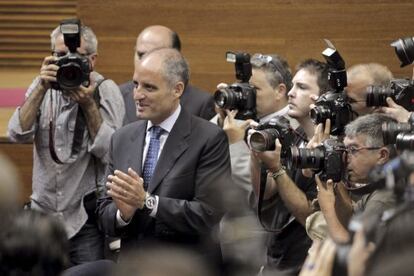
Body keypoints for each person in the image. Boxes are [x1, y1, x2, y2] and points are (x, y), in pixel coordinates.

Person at [97, 48, 231, 267]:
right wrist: (123, 214)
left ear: (177, 89)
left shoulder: (209, 138)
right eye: (136, 84)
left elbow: (208, 213)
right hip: (135, 266)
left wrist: (147, 202)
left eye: (149, 87)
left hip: (187, 267)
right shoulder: (121, 138)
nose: (137, 95)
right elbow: (104, 211)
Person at [7, 22, 125, 265]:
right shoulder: (42, 86)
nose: (67, 64)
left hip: (83, 220)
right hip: (43, 217)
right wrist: (41, 87)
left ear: (92, 60)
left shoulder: (106, 90)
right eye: (60, 56)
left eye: (76, 57)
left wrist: (88, 104)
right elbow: (16, 133)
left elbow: (112, 153)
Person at [211, 53, 294, 272]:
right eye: (242, 89)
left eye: (253, 90)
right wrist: (221, 118)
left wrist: (234, 142)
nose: (245, 96)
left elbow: (249, 193)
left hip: (257, 245)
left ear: (280, 91)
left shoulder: (290, 128)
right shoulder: (241, 121)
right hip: (221, 236)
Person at [250, 59, 330, 274]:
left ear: (320, 98)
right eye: (293, 85)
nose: (291, 93)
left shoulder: (332, 148)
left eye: (302, 87)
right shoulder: (296, 136)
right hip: (278, 253)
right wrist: (256, 154)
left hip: (308, 259)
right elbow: (265, 194)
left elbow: (310, 217)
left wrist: (277, 170)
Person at [316, 114, 397, 243]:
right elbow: (351, 221)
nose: (344, 158)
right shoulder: (381, 185)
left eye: (352, 150)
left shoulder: (384, 197)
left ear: (382, 155)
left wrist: (328, 210)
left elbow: (358, 254)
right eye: (344, 150)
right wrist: (333, 178)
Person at [120, 25, 215, 124]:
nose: (147, 61)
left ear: (176, 56)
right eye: (141, 54)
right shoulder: (118, 95)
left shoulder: (201, 103)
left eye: (157, 54)